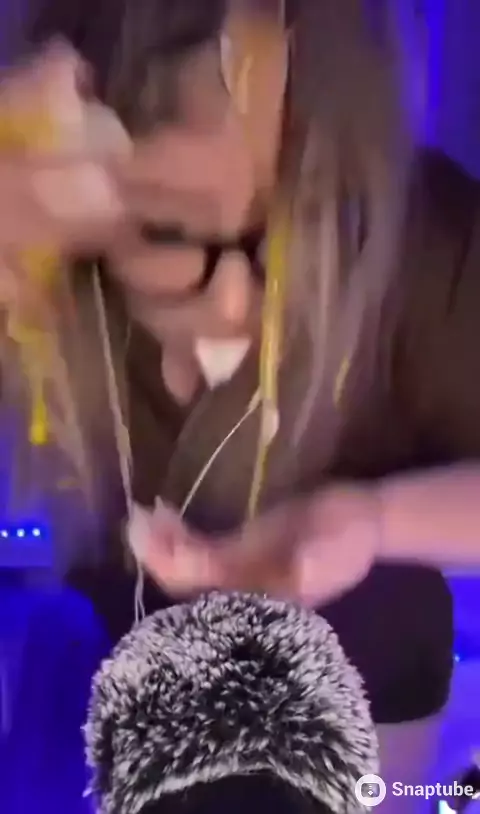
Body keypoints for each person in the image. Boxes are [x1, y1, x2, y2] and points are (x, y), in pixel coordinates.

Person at [0, 1, 480, 811]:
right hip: (133, 713)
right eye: (165, 233)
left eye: (265, 230)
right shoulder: (43, 245)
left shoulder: (424, 240)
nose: (230, 310)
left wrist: (371, 522)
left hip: (366, 718)